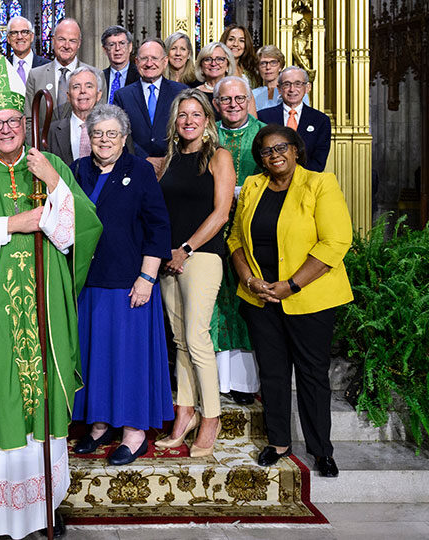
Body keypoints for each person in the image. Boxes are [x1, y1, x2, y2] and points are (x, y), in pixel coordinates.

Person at [0, 53, 102, 540]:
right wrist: (13, 224)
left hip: (43, 310)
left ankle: (44, 504)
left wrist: (55, 187)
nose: (6, 129)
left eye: (13, 120)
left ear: (24, 123)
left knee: (40, 410)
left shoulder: (50, 165)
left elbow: (86, 230)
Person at [228, 124, 352, 478]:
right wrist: (249, 279)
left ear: (296, 150)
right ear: (260, 159)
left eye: (281, 147)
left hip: (309, 297)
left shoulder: (320, 184)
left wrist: (291, 285)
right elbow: (235, 237)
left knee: (312, 376)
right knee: (273, 372)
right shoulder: (253, 186)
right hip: (260, 296)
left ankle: (321, 450)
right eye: (266, 151)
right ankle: (279, 442)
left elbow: (334, 243)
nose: (275, 154)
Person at [70, 104, 173, 466]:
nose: (104, 140)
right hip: (88, 282)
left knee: (128, 360)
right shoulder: (77, 170)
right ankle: (99, 426)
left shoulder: (140, 171)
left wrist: (147, 277)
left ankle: (133, 432)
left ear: (124, 138)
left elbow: (159, 228)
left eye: (112, 134)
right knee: (94, 357)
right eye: (97, 134)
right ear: (89, 137)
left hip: (130, 282)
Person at [154, 89, 235, 459]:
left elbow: (221, 214)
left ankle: (211, 416)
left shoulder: (219, 156)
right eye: (182, 115)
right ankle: (184, 412)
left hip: (201, 256)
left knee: (197, 337)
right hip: (168, 260)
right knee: (180, 341)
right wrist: (166, 254)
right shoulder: (169, 160)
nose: (189, 121)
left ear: (207, 121)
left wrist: (186, 249)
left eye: (196, 115)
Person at [212, 76, 266, 405]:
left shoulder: (264, 134)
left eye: (239, 98)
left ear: (249, 100)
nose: (233, 105)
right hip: (215, 228)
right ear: (216, 103)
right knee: (218, 299)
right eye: (226, 99)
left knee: (246, 299)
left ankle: (246, 384)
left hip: (252, 228)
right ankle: (218, 380)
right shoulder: (208, 133)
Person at [113, 38, 188, 169]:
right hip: (135, 166)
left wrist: (169, 158)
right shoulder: (122, 95)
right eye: (144, 59)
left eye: (154, 58)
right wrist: (144, 159)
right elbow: (120, 132)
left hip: (175, 165)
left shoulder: (181, 92)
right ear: (136, 62)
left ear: (165, 62)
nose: (149, 63)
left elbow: (187, 128)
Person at [257, 67, 331, 172]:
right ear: (279, 89)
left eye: (298, 84)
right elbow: (259, 154)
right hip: (271, 180)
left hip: (306, 181)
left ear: (307, 87)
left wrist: (294, 177)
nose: (292, 89)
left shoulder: (320, 120)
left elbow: (318, 161)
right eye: (287, 84)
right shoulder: (263, 117)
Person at [26, 18, 104, 118]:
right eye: (62, 39)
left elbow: (100, 119)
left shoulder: (96, 75)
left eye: (72, 41)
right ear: (53, 41)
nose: (66, 46)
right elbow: (29, 119)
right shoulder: (35, 76)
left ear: (79, 43)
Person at [47, 67, 105, 165]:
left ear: (98, 95)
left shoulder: (114, 129)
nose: (82, 91)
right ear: (68, 96)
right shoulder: (50, 132)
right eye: (76, 87)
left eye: (89, 86)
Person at [253, 45, 310, 110]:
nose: (268, 67)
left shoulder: (295, 91)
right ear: (258, 67)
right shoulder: (253, 94)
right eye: (263, 63)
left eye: (273, 62)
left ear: (280, 66)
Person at [100, 25, 139, 104]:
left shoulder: (140, 77)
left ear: (130, 47)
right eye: (112, 44)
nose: (117, 48)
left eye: (122, 43)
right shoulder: (99, 77)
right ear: (104, 50)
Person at [6, 16, 49, 84]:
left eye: (24, 32)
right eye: (14, 33)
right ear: (8, 39)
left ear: (32, 37)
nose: (19, 37)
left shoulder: (48, 66)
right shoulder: (3, 68)